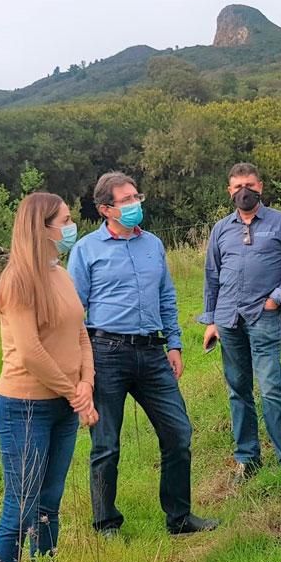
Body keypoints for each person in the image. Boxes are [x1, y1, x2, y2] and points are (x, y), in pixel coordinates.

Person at [68, 171, 220, 536]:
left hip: (152, 352)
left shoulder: (152, 244)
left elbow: (167, 296)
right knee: (106, 443)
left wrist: (175, 343)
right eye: (127, 200)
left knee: (178, 433)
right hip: (106, 352)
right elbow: (73, 313)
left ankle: (180, 518)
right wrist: (81, 370)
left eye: (138, 197)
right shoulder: (87, 250)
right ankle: (106, 523)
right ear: (106, 209)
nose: (136, 204)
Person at [0, 192, 98, 562]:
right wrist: (76, 394)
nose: (72, 227)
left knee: (49, 504)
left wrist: (86, 383)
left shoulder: (60, 272)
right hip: (24, 408)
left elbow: (79, 331)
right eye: (66, 220)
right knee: (20, 510)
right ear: (42, 227)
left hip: (62, 407)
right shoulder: (18, 280)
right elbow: (32, 352)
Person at [200, 162, 281, 483]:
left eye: (250, 185)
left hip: (264, 317)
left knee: (271, 387)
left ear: (260, 186)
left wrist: (277, 298)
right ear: (229, 191)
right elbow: (211, 276)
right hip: (228, 319)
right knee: (238, 390)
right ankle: (248, 458)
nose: (244, 191)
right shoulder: (221, 229)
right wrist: (211, 320)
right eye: (237, 187)